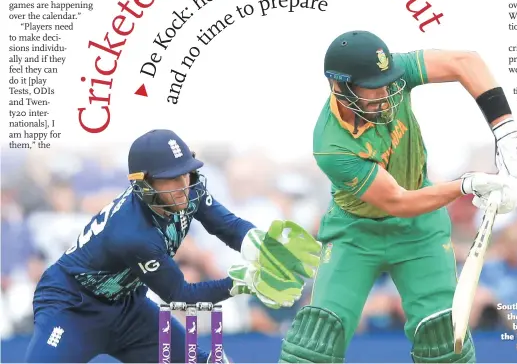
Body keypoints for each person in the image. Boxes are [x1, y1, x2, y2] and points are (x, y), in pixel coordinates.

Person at [278, 31, 517, 363]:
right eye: (374, 86)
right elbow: (398, 201)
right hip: (355, 234)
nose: (387, 94)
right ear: (340, 87)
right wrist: (466, 185)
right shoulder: (331, 143)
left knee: (444, 343)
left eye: (388, 82)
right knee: (314, 346)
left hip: (420, 230)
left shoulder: (393, 75)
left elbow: (465, 62)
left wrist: (506, 129)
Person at [24, 129, 320, 363]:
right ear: (144, 183)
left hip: (127, 305)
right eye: (170, 178)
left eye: (186, 172)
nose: (183, 184)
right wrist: (243, 282)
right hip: (72, 305)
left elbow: (226, 225)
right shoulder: (132, 234)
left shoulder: (189, 189)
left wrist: (258, 245)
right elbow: (180, 294)